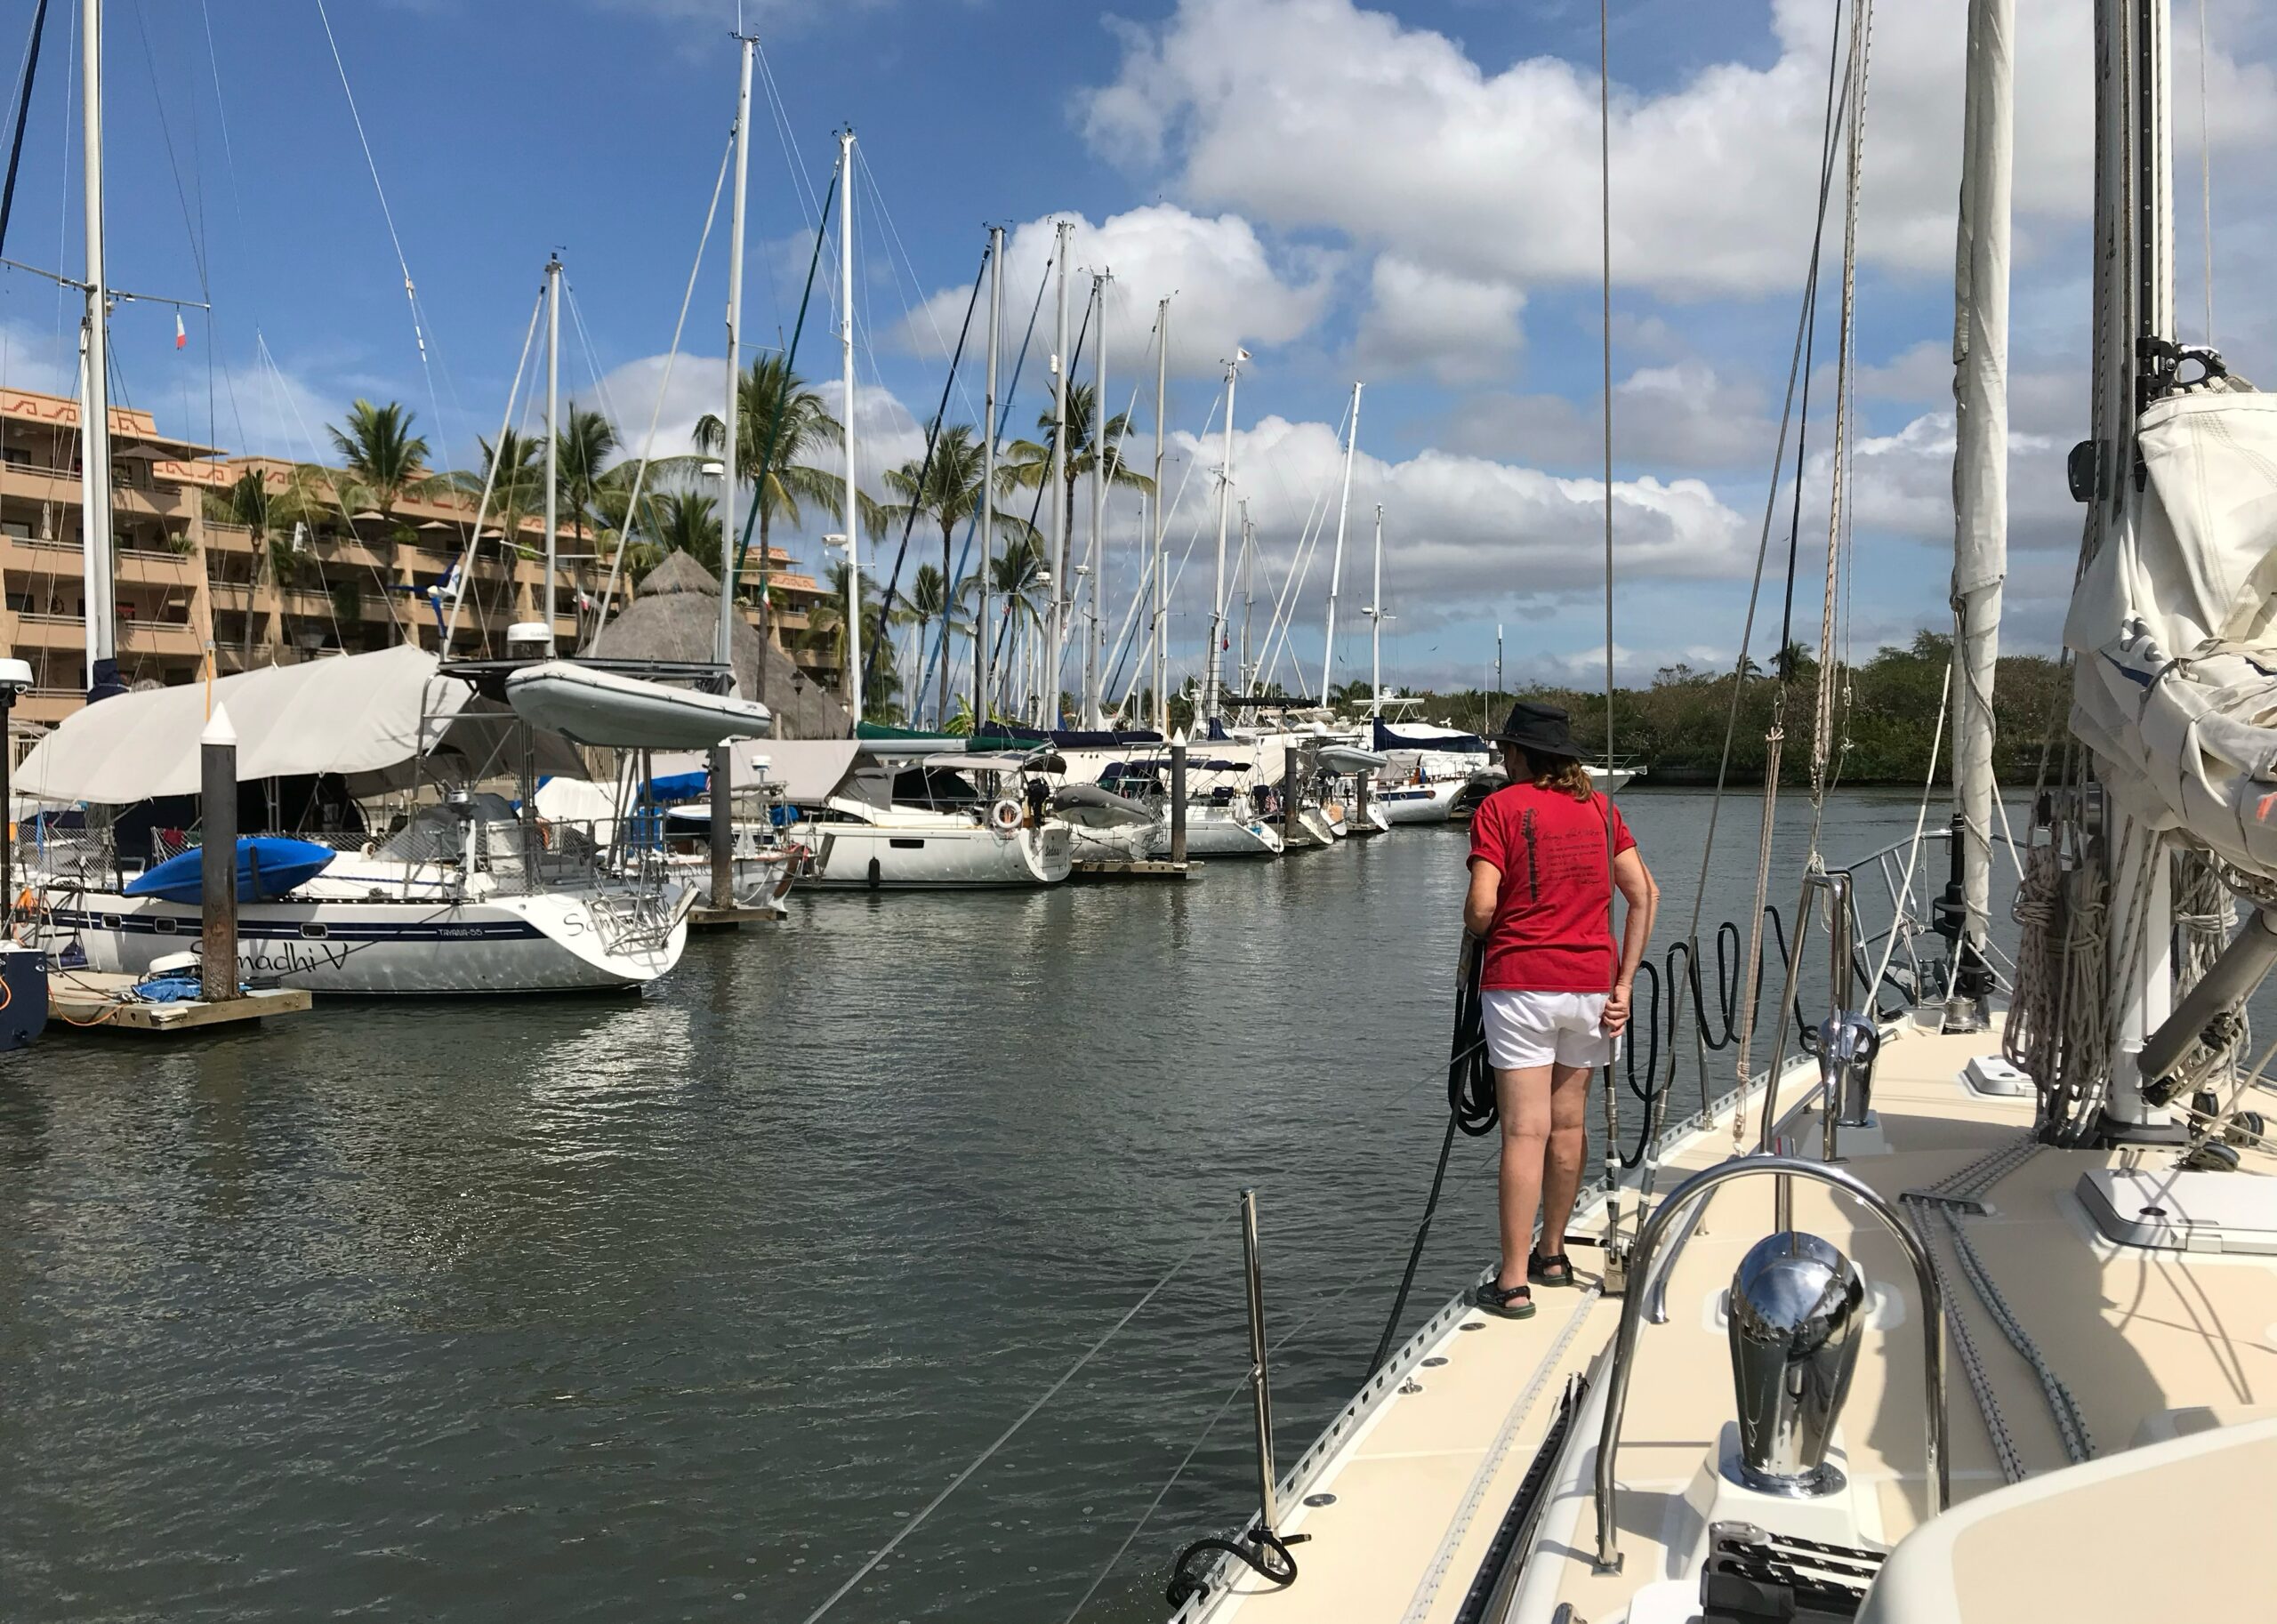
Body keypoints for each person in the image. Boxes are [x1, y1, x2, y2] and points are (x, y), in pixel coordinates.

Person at [1460, 701, 1658, 1319]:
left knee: (1526, 1131)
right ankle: (1551, 1253)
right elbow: (1645, 894)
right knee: (1568, 1127)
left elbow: (1481, 908)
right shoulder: (1601, 810)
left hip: (1521, 985)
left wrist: (1485, 927)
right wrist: (1624, 984)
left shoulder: (1499, 808)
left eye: (1505, 750)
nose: (1502, 760)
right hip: (1592, 989)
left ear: (1522, 754)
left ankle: (1513, 1282)